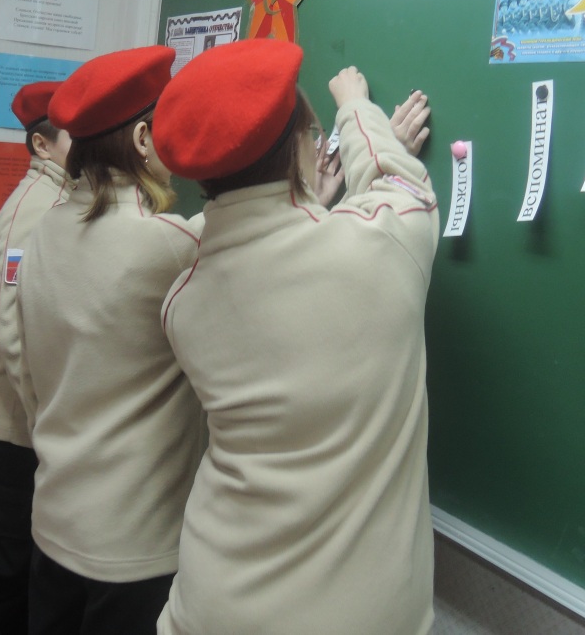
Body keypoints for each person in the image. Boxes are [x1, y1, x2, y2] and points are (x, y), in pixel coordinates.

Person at [152, 38, 440, 635]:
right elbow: (399, 183)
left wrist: (307, 196)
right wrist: (356, 107)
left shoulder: (182, 303)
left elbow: (252, 242)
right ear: (302, 148)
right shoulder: (383, 244)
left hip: (211, 603)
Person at [15, 46, 205, 635]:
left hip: (55, 520)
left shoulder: (43, 230)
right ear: (143, 138)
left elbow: (23, 371)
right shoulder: (168, 244)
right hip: (132, 546)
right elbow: (237, 244)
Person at [0, 81, 72, 635]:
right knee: (2, 569)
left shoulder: (62, 196)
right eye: (74, 134)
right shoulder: (36, 206)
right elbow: (13, 326)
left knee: (24, 566)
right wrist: (41, 418)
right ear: (41, 145)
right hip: (16, 426)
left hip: (27, 422)